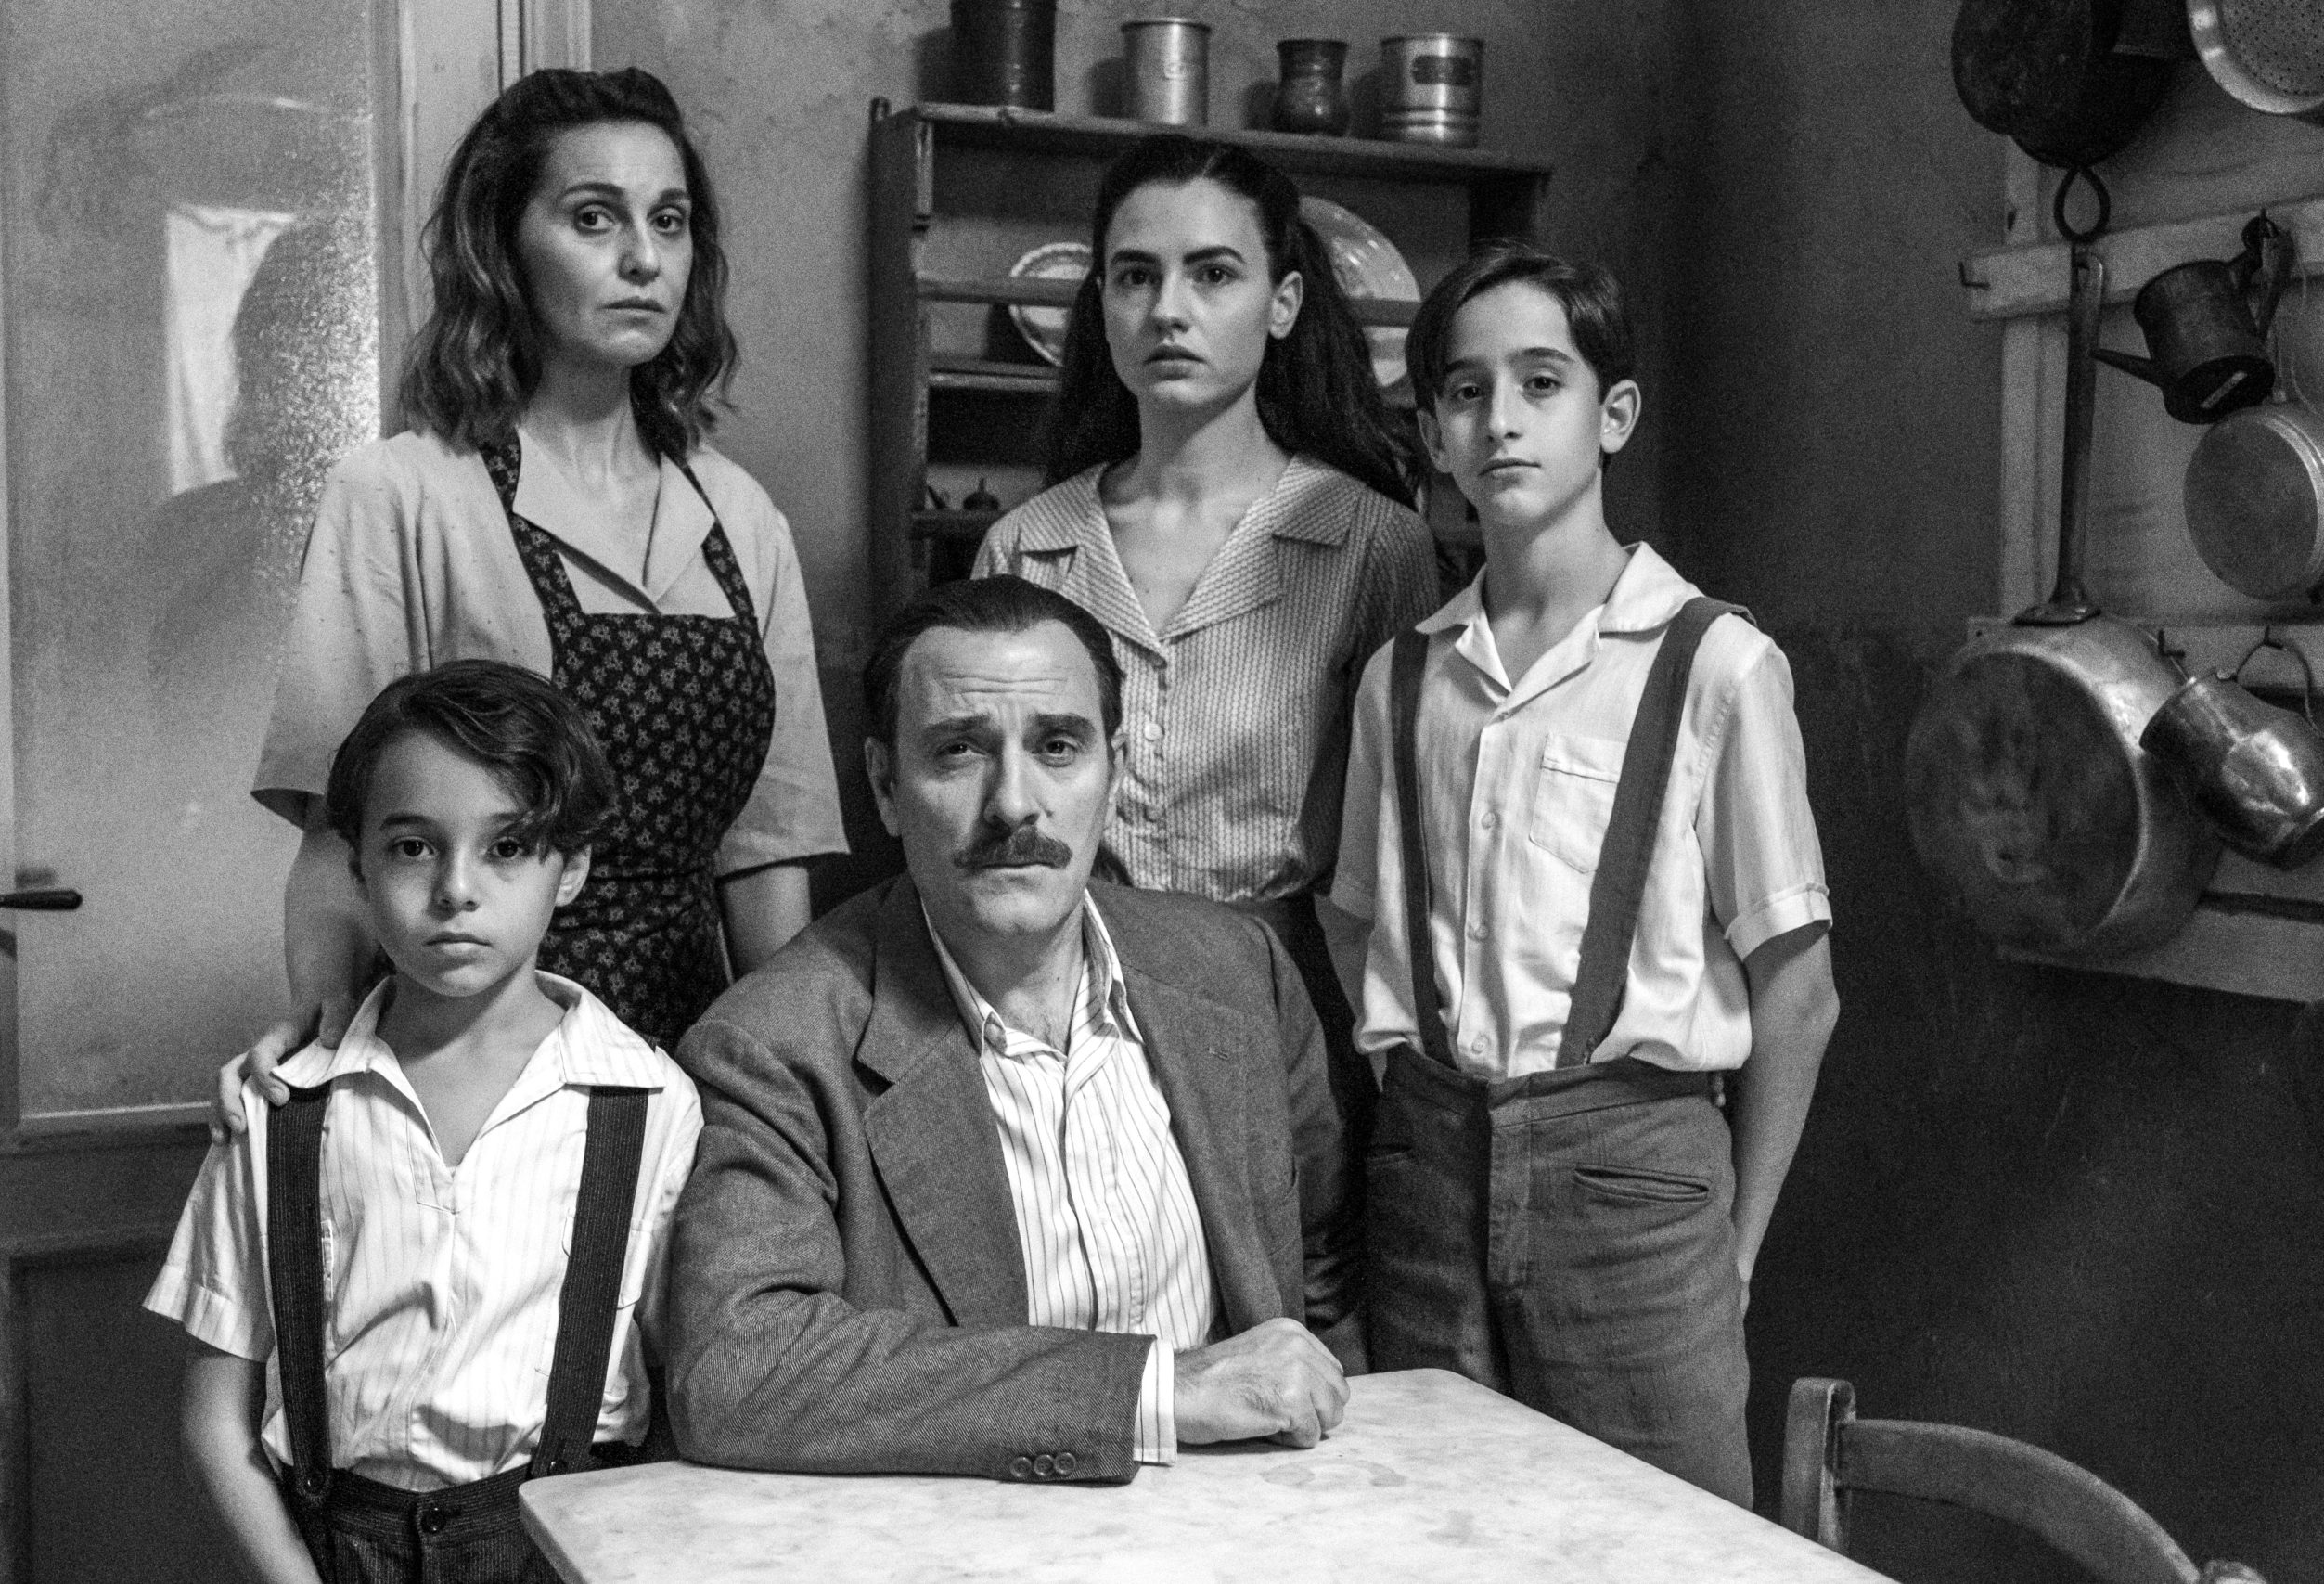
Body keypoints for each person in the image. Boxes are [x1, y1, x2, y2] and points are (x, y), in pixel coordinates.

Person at [1321, 244, 1840, 1507]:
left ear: (1612, 415)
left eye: (1540, 382)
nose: (1499, 419)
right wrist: (1430, 1104)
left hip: (1635, 1177)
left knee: (1663, 1533)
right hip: (1430, 1165)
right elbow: (1354, 922)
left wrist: (1731, 1250)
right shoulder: (1403, 677)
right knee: (1438, 1521)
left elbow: (1799, 989)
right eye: (1464, 391)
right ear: (1432, 434)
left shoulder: (1714, 664)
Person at [221, 67, 843, 1103]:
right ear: (503, 248)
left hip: (703, 1062)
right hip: (473, 1056)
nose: (643, 258)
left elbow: (766, 858)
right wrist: (326, 1041)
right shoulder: (402, 495)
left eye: (670, 221)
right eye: (594, 218)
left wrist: (791, 1090)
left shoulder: (743, 518)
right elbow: (340, 832)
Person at [666, 576, 1361, 1483]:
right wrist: (1154, 1389)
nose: (1013, 804)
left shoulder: (1238, 972)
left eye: (1057, 747)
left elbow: (1324, 1273)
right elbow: (739, 1369)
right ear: (885, 785)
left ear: (1113, 770)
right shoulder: (776, 1044)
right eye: (959, 751)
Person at [147, 660, 702, 1583]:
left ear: (571, 868)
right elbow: (214, 1418)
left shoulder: (649, 1105)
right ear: (356, 870)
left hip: (568, 1547)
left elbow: (687, 1403)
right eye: (413, 847)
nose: (456, 889)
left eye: (507, 847)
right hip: (336, 1551)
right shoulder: (283, 1106)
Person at [970, 134, 1441, 1134]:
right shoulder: (1027, 546)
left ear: (1284, 302)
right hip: (1066, 1001)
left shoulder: (1368, 544)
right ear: (1101, 300)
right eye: (1135, 275)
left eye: (1213, 274)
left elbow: (1410, 843)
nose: (1167, 310)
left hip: (1293, 1007)